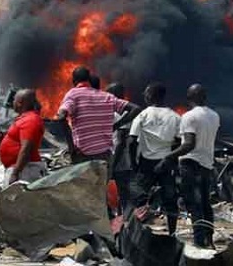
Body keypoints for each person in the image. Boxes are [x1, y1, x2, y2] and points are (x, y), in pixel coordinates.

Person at [154, 84, 220, 248]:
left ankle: (199, 241)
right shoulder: (215, 116)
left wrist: (168, 157)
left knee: (193, 204)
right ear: (205, 97)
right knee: (205, 203)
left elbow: (189, 144)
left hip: (190, 164)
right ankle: (209, 239)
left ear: (189, 98)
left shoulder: (188, 117)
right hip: (207, 164)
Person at [57, 66, 140, 164]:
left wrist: (71, 148)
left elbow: (61, 116)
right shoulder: (106, 96)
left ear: (74, 81)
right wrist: (115, 126)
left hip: (83, 156)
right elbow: (136, 109)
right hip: (105, 156)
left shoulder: (73, 95)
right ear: (89, 79)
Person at [128, 83, 181, 235]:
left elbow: (131, 141)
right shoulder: (175, 117)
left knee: (136, 195)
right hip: (166, 164)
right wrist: (172, 160)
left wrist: (134, 163)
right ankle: (172, 233)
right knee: (170, 200)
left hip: (146, 163)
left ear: (151, 96)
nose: (144, 95)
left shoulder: (142, 115)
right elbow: (179, 142)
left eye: (146, 93)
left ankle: (137, 231)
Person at [0, 89, 46, 186]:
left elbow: (26, 148)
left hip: (25, 171)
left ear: (20, 103)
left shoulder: (30, 120)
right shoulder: (25, 118)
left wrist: (15, 173)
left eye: (14, 100)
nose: (12, 102)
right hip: (22, 169)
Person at [105, 82, 134, 215]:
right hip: (115, 160)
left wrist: (113, 164)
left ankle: (126, 224)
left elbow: (121, 142)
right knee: (119, 195)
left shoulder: (122, 113)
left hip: (119, 162)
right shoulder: (112, 111)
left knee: (124, 196)